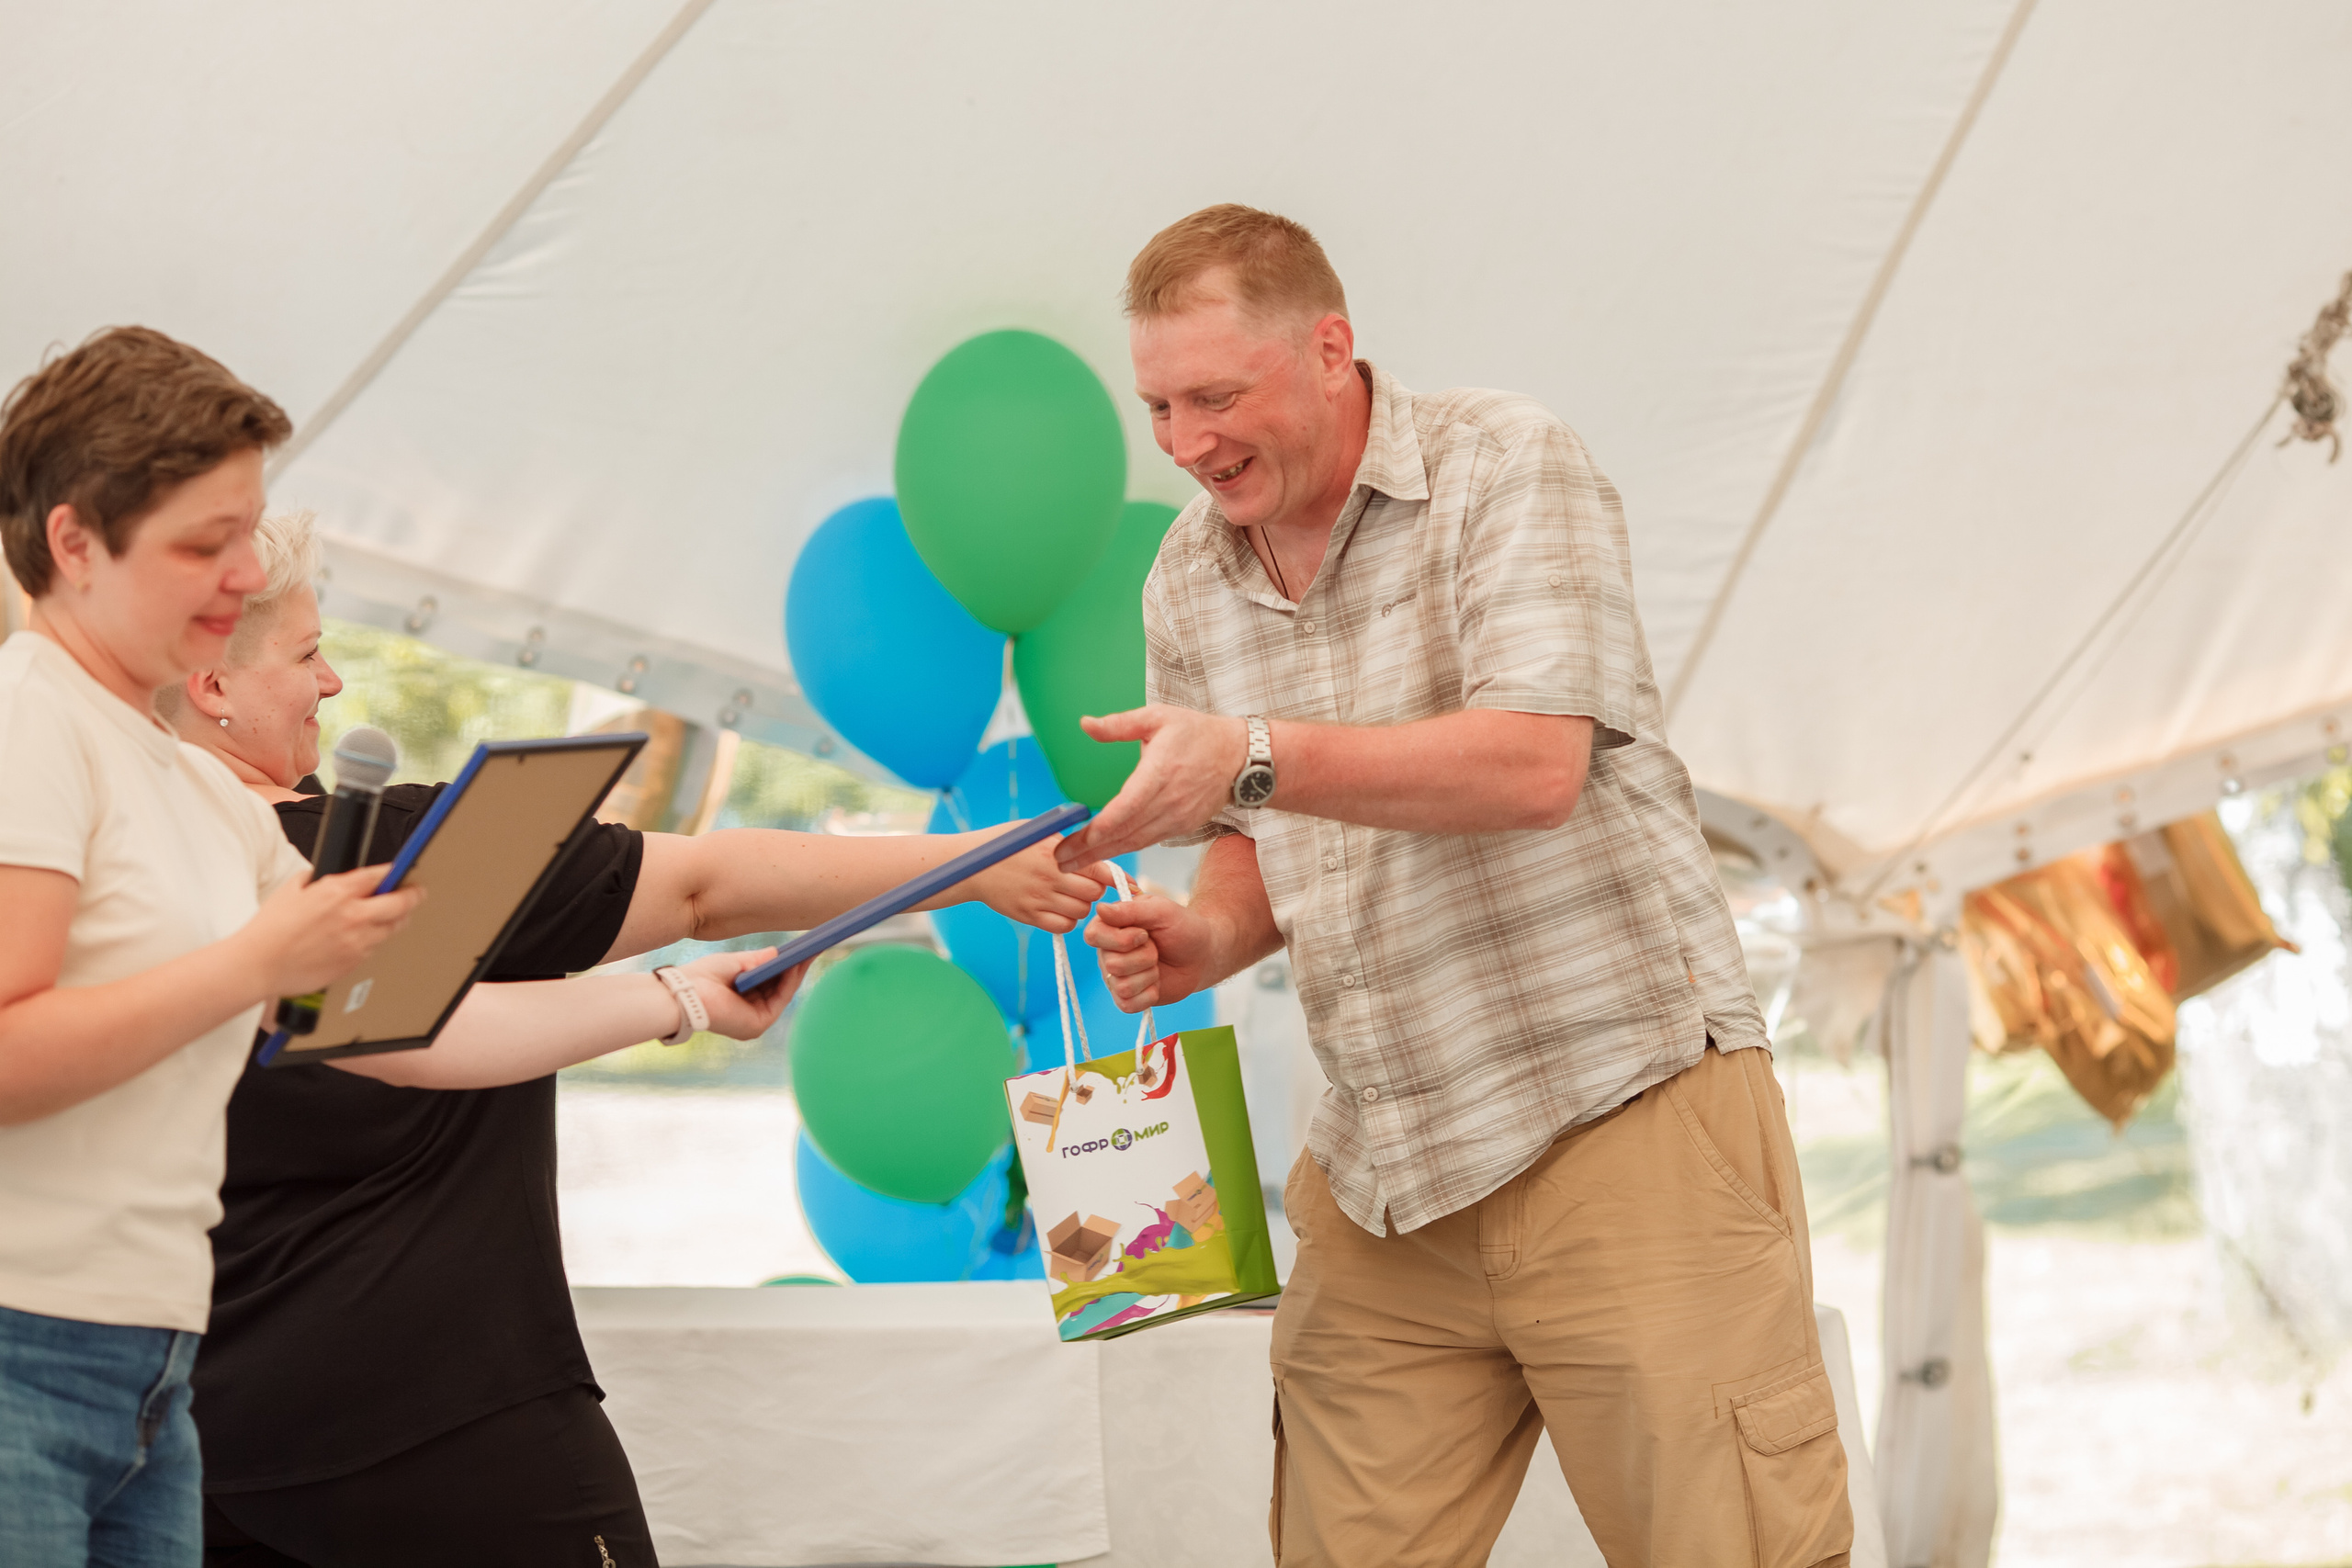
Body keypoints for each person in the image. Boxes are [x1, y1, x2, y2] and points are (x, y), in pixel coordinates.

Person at [1073, 206, 1854, 1567]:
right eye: (1158, 407)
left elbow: (1534, 763)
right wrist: (1207, 931)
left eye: (1217, 396)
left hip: (1618, 1112)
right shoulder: (1187, 574)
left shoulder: (1504, 463)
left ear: (1330, 349)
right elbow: (1255, 831)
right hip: (1386, 1168)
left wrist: (1247, 752)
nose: (1186, 442)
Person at [159, 509, 1111, 1567]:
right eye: (307, 653)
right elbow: (705, 887)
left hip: (200, 1440)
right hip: (443, 1418)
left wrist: (680, 1000)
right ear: (212, 682)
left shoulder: (124, 891)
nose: (334, 681)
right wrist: (971, 863)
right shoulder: (406, 856)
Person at [0, 328, 424, 1564]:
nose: (244, 573)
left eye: (246, 533)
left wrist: (674, 998)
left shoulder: (187, 780)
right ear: (75, 542)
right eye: (204, 543)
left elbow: (384, 1016)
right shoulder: (30, 725)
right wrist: (254, 964)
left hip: (151, 1365)